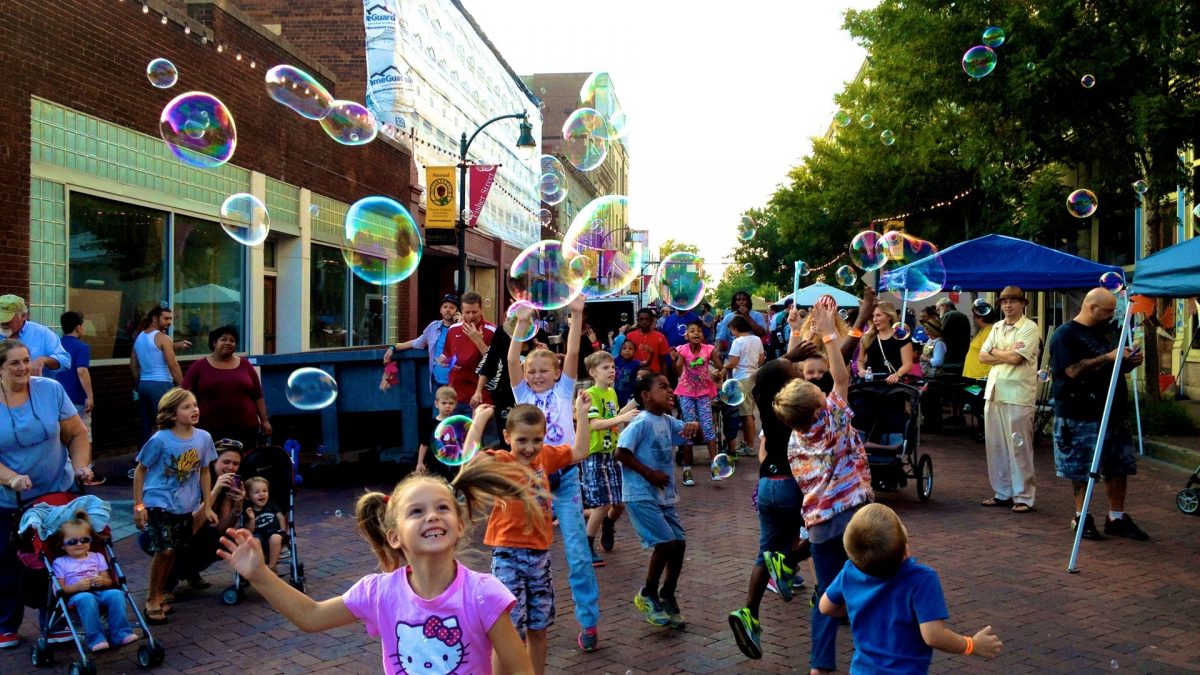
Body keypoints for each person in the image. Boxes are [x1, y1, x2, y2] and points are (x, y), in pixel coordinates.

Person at [217, 457, 538, 675]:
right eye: (416, 511)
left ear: (458, 526)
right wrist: (260, 575)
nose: (432, 515)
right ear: (395, 537)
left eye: (443, 507)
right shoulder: (380, 591)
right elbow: (311, 616)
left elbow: (521, 669)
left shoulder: (483, 593)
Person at [773, 295, 874, 675]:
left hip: (818, 526)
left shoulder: (796, 438)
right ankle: (871, 657)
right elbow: (843, 376)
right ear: (818, 407)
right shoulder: (831, 422)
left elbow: (813, 386)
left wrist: (804, 332)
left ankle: (820, 666)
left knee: (827, 596)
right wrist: (830, 334)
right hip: (853, 518)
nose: (825, 390)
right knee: (866, 589)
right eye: (820, 393)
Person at [505, 296, 602, 652]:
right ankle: (519, 618)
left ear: (557, 373)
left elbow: (574, 355)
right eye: (532, 371)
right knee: (523, 550)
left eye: (543, 370)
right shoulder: (522, 394)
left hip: (565, 476)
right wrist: (522, 322)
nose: (536, 375)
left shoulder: (563, 391)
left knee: (577, 553)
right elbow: (513, 359)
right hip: (532, 482)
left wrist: (576, 314)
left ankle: (588, 621)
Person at [470, 393, 592, 673]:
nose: (530, 447)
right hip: (507, 554)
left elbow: (580, 451)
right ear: (507, 436)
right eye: (522, 440)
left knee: (539, 627)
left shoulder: (546, 457)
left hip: (539, 555)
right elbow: (469, 460)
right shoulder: (500, 460)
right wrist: (479, 421)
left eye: (537, 439)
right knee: (509, 631)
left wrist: (581, 414)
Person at [819, 504, 1003, 672]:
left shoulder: (850, 571)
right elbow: (933, 636)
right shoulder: (921, 580)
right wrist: (972, 644)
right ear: (905, 548)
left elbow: (825, 606)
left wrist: (855, 603)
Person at [0, 339, 93, 649]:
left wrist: (81, 467)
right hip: (10, 500)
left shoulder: (50, 390)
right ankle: (5, 624)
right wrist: (11, 478)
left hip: (57, 491)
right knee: (8, 562)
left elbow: (77, 433)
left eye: (26, 360)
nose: (24, 367)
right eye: (14, 362)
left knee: (59, 556)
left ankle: (56, 621)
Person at [728, 354, 812, 661]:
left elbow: (761, 377)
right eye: (795, 370)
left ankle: (749, 613)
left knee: (765, 551)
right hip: (792, 485)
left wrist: (790, 357)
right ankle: (788, 563)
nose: (800, 371)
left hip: (766, 486)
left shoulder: (765, 400)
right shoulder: (796, 406)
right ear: (788, 383)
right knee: (828, 534)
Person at [1048, 288, 1148, 541]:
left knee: (1118, 466)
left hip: (1112, 409)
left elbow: (1110, 366)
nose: (1112, 315)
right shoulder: (1065, 335)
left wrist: (1127, 361)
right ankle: (1082, 516)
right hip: (1079, 412)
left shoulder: (1108, 332)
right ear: (1092, 308)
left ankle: (1117, 517)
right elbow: (1071, 371)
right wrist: (1108, 356)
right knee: (1081, 467)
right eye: (1108, 310)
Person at [616, 373, 699, 631]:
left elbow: (685, 435)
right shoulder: (640, 422)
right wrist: (649, 474)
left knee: (679, 543)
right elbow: (620, 453)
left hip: (663, 496)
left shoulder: (667, 420)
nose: (670, 390)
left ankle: (668, 594)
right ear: (646, 396)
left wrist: (692, 428)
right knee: (666, 543)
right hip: (640, 494)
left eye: (669, 386)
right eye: (663, 387)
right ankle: (648, 593)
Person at [132, 387, 217, 625]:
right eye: (187, 406)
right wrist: (139, 506)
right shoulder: (160, 440)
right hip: (158, 502)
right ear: (171, 414)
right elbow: (140, 471)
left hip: (185, 505)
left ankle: (160, 594)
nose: (194, 410)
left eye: (195, 405)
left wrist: (207, 505)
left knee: (174, 552)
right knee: (165, 550)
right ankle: (151, 599)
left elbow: (204, 471)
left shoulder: (203, 438)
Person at [978, 287, 1041, 513]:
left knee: (1019, 447)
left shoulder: (1030, 327)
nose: (1008, 305)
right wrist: (1003, 353)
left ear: (1023, 303)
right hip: (994, 391)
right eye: (1004, 301)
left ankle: (1024, 495)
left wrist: (997, 352)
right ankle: (1003, 492)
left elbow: (1016, 358)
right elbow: (982, 355)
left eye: (1013, 301)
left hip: (1018, 394)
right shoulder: (996, 326)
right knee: (996, 445)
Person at [162, 439, 245, 596]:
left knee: (224, 541)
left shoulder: (229, 484)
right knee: (182, 541)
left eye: (235, 464)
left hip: (196, 533)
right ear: (214, 461)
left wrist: (238, 506)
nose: (231, 467)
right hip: (168, 531)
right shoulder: (194, 480)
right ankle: (166, 584)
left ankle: (190, 571)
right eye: (226, 462)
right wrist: (214, 490)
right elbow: (190, 527)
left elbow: (221, 528)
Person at [49, 512, 139, 652]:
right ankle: (96, 639)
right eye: (73, 542)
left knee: (116, 593)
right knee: (86, 597)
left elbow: (109, 581)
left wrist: (102, 580)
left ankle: (120, 634)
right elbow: (59, 590)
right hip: (76, 596)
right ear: (62, 545)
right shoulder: (61, 562)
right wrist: (77, 587)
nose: (80, 544)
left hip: (100, 591)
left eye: (85, 540)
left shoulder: (97, 557)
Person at [582, 352, 637, 566]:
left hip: (612, 454)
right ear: (593, 372)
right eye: (605, 368)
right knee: (602, 503)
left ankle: (607, 524)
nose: (611, 371)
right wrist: (623, 418)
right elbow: (595, 424)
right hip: (595, 455)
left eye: (612, 367)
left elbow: (613, 417)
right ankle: (588, 545)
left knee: (620, 503)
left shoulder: (612, 393)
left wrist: (633, 404)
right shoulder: (591, 394)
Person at [182, 326, 271, 448]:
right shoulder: (199, 366)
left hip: (244, 429)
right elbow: (183, 395)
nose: (228, 343)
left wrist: (265, 421)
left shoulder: (245, 365)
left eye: (232, 340)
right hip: (208, 429)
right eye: (223, 339)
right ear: (214, 343)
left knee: (241, 464)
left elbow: (258, 395)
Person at [672, 321, 722, 485]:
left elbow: (721, 368)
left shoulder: (708, 349)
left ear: (702, 335)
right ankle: (687, 469)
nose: (696, 333)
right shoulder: (683, 349)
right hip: (686, 393)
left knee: (708, 428)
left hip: (703, 394)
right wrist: (677, 360)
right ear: (686, 335)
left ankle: (715, 467)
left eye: (699, 331)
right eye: (692, 330)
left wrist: (717, 374)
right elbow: (678, 369)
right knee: (689, 428)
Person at [130, 306, 189, 445]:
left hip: (144, 384)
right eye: (166, 318)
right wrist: (183, 386)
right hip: (161, 383)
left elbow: (133, 364)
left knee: (148, 424)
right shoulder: (163, 338)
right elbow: (173, 364)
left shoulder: (139, 336)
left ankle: (142, 461)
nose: (169, 322)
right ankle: (163, 457)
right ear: (155, 318)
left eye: (171, 319)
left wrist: (138, 383)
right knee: (166, 422)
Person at [387, 294, 460, 392]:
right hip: (438, 383)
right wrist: (393, 348)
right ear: (440, 310)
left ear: (457, 311)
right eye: (445, 307)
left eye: (452, 307)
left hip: (458, 383)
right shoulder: (433, 328)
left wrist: (461, 324)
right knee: (437, 407)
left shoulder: (463, 328)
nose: (448, 310)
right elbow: (416, 342)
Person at [441, 292, 495, 408]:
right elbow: (448, 357)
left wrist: (478, 341)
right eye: (467, 312)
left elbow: (496, 363)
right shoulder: (453, 330)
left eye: (474, 312)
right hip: (455, 397)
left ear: (481, 309)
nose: (471, 316)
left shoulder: (492, 331)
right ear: (461, 310)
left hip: (481, 397)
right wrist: (447, 362)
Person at [723, 315, 764, 456]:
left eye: (731, 330)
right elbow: (761, 359)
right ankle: (748, 443)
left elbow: (733, 362)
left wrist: (723, 367)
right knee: (750, 413)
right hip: (755, 377)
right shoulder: (757, 339)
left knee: (746, 414)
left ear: (735, 328)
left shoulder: (738, 342)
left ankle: (750, 446)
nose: (731, 333)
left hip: (742, 378)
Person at [0, 295, 70, 375]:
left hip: (35, 386)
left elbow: (65, 361)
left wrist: (44, 360)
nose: (2, 323)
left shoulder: (42, 333)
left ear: (24, 316)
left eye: (7, 319)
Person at [56, 311, 93, 442]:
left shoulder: (56, 344)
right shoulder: (82, 347)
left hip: (58, 397)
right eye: (82, 325)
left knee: (61, 435)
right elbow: (82, 371)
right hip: (76, 396)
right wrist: (89, 396)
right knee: (83, 434)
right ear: (78, 327)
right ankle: (84, 463)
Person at [857, 301, 915, 384]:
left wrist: (897, 374)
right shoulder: (868, 337)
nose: (875, 319)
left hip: (893, 385)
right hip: (871, 385)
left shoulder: (901, 337)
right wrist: (862, 370)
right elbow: (860, 360)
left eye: (878, 315)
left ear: (889, 317)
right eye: (873, 316)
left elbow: (908, 364)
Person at [416, 386, 463, 481]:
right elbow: (424, 444)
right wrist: (420, 462)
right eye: (444, 403)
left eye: (451, 403)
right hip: (436, 465)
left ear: (455, 405)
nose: (447, 406)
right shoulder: (430, 424)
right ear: (436, 404)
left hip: (453, 464)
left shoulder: (457, 423)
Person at [243, 476, 286, 569]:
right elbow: (249, 531)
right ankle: (260, 567)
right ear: (248, 496)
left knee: (276, 538)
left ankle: (272, 566)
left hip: (273, 532)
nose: (262, 494)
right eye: (257, 492)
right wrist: (251, 519)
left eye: (265, 491)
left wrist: (283, 531)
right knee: (254, 541)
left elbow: (281, 517)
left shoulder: (271, 505)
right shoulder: (249, 510)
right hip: (258, 535)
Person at [716, 291, 768, 358]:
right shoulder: (728, 317)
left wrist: (747, 316)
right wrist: (719, 351)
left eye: (744, 300)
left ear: (748, 301)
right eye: (738, 300)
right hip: (734, 355)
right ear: (734, 303)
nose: (741, 302)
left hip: (753, 355)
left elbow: (762, 333)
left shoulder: (757, 315)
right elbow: (721, 337)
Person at [624, 307, 671, 375]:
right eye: (641, 319)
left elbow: (663, 362)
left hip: (654, 377)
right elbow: (625, 358)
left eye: (647, 319)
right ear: (638, 320)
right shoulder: (629, 336)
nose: (644, 321)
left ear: (652, 320)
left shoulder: (661, 337)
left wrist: (664, 378)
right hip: (634, 377)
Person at [936, 297, 971, 375]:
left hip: (951, 359)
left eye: (938, 309)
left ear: (944, 306)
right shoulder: (962, 315)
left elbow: (940, 334)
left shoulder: (948, 315)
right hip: (962, 358)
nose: (937, 312)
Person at [962, 307, 998, 380]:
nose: (973, 319)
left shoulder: (990, 331)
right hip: (974, 376)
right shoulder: (983, 330)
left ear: (980, 318)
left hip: (980, 378)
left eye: (974, 317)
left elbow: (995, 355)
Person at [613, 339, 640, 405]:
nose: (627, 350)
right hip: (617, 393)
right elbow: (604, 359)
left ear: (634, 352)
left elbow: (646, 363)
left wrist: (651, 353)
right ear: (621, 352)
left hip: (629, 394)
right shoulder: (617, 361)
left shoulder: (635, 363)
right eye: (624, 348)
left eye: (630, 349)